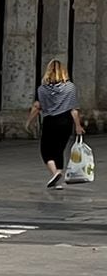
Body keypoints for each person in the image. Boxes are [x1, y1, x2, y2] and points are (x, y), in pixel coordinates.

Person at [26, 59, 86, 190]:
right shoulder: (70, 87)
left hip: (50, 121)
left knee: (46, 151)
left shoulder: (42, 89)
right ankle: (58, 179)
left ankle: (55, 173)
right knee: (59, 150)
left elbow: (37, 106)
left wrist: (29, 121)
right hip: (65, 121)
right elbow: (74, 109)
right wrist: (78, 126)